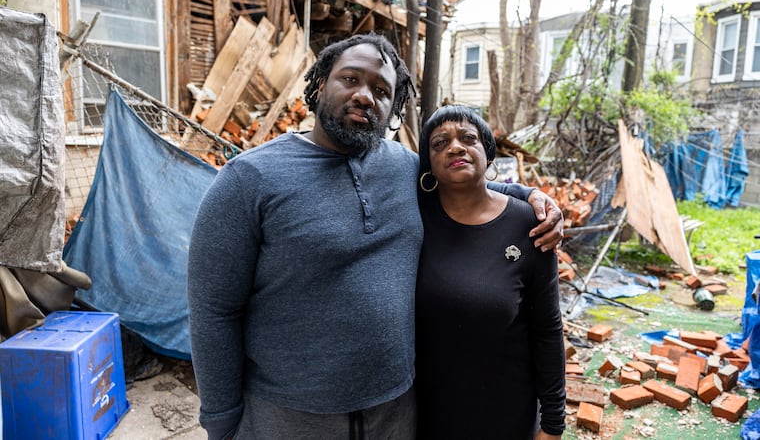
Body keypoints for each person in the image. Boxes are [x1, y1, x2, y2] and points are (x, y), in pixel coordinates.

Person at [187, 34, 563, 440]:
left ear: (393, 108)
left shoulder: (404, 168)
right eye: (350, 79)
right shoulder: (248, 180)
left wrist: (530, 197)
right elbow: (214, 310)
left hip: (396, 411)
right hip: (290, 416)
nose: (365, 96)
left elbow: (466, 187)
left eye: (382, 90)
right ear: (319, 86)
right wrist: (222, 421)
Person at [414, 104, 566, 440]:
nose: (455, 147)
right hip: (425, 415)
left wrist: (553, 422)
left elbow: (547, 328)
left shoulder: (529, 224)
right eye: (440, 143)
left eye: (468, 138)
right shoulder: (413, 217)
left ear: (488, 152)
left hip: (506, 413)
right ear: (428, 165)